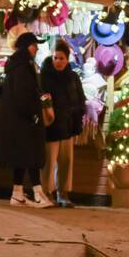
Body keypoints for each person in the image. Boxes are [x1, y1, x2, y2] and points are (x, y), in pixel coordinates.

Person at [0, 31, 53, 208]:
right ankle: (37, 194)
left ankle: (17, 193)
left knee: (22, 157)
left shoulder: (18, 64)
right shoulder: (23, 66)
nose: (36, 48)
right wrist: (33, 114)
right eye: (34, 45)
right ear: (27, 46)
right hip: (25, 119)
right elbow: (23, 94)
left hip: (18, 120)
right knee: (32, 155)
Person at [39, 39, 85, 207]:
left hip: (67, 124)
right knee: (49, 162)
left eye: (61, 58)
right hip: (51, 125)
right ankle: (46, 192)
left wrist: (77, 114)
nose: (58, 61)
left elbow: (80, 99)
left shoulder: (72, 77)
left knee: (66, 161)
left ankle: (63, 193)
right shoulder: (44, 76)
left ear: (67, 59)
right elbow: (41, 98)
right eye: (56, 58)